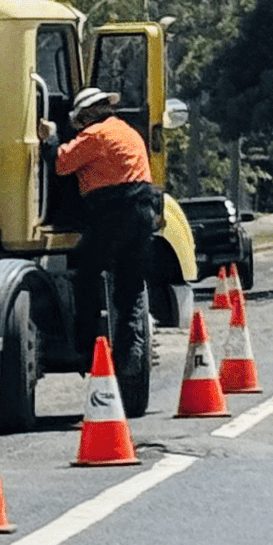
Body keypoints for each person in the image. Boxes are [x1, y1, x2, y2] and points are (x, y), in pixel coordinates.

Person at [55, 86, 162, 414]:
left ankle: (88, 346)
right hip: (144, 211)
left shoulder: (95, 136)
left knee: (86, 273)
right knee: (129, 289)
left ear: (87, 115)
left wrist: (48, 139)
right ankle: (129, 357)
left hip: (113, 212)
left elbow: (61, 164)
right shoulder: (128, 132)